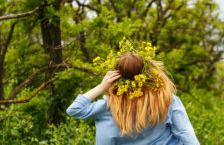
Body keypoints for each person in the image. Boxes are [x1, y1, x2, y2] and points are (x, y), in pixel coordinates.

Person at [66, 52, 199, 145]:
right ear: (148, 73)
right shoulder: (167, 99)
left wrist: (102, 86)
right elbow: (185, 132)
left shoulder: (109, 105)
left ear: (118, 76)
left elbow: (75, 109)